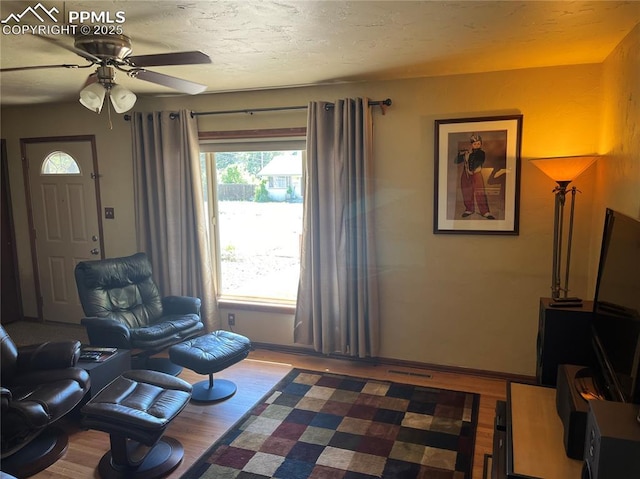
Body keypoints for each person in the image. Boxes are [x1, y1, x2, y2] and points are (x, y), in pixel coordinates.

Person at [454, 134, 495, 219]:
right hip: (466, 174)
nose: (476, 145)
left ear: (481, 144)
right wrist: (461, 154)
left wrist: (471, 169)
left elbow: (478, 161)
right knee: (466, 191)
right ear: (471, 145)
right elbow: (456, 161)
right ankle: (469, 209)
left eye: (478, 143)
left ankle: (485, 211)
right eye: (474, 144)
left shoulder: (481, 153)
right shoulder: (467, 153)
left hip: (476, 173)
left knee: (480, 191)